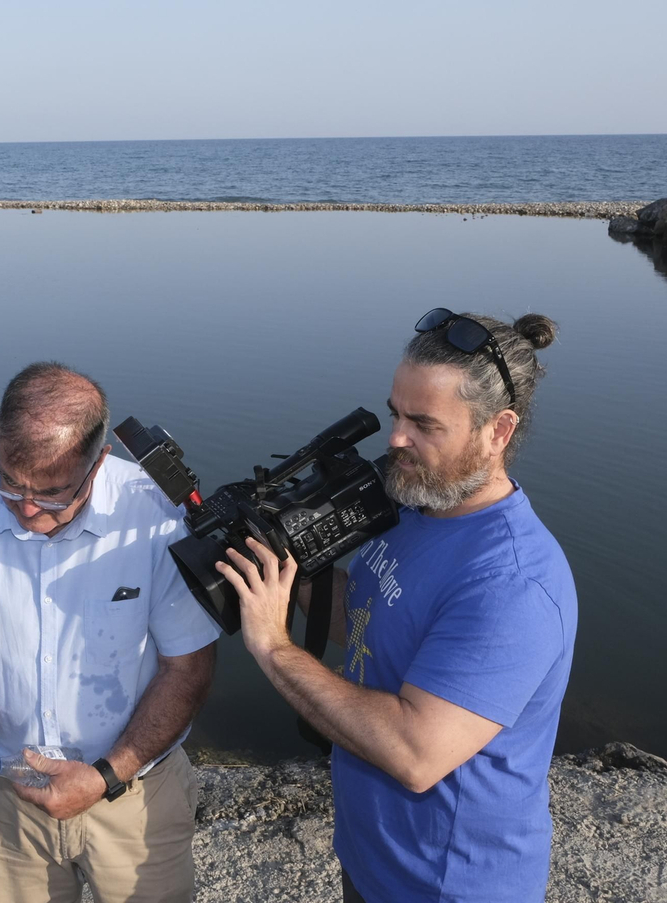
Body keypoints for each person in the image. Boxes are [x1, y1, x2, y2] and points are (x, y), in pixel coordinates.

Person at [215, 310, 577, 903]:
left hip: (447, 885)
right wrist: (282, 577)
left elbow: (415, 753)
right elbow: (368, 623)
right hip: (372, 858)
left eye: (424, 424)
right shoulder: (415, 506)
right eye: (395, 414)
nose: (396, 440)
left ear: (498, 430)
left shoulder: (511, 584)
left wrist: (273, 646)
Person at [0, 361, 220, 903]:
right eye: (10, 482)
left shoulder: (156, 515)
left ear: (99, 460)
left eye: (54, 492)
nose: (28, 509)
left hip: (133, 797)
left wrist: (106, 775)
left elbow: (188, 666)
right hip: (8, 796)